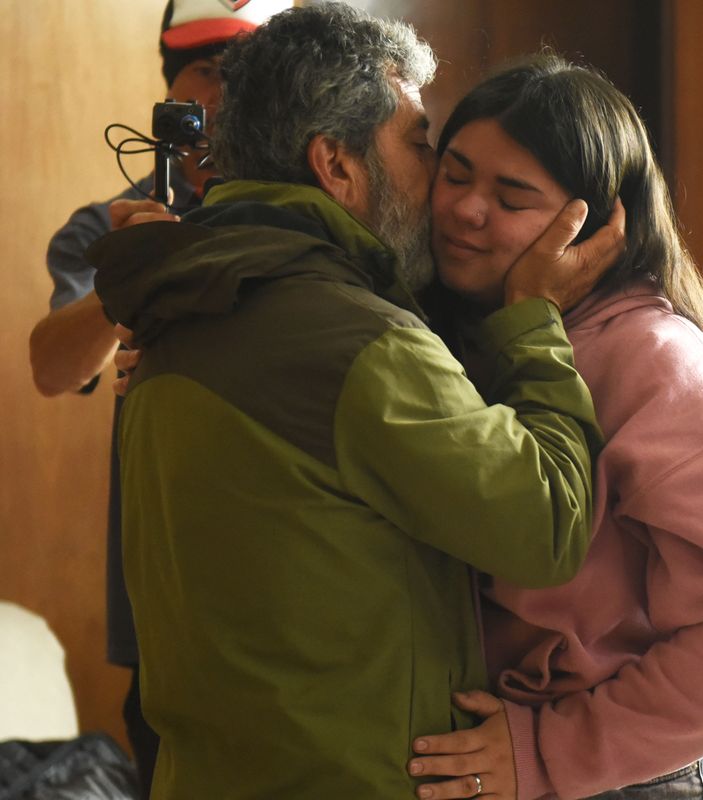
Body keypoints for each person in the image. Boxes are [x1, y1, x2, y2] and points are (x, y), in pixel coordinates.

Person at [87, 5, 623, 799]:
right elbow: (546, 524)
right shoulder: (355, 341)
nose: (437, 175)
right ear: (336, 165)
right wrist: (533, 319)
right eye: (415, 143)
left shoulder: (175, 311)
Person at [405, 55, 703, 800]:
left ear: (592, 227)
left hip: (623, 777)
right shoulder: (453, 336)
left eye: (512, 196)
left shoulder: (662, 368)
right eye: (456, 173)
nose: (466, 210)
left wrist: (552, 751)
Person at [26, 1, 289, 794]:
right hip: (163, 604)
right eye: (204, 69)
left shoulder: (302, 215)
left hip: (288, 587)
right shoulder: (108, 227)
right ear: (169, 90)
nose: (219, 93)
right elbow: (55, 367)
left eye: (241, 74)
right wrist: (130, 276)